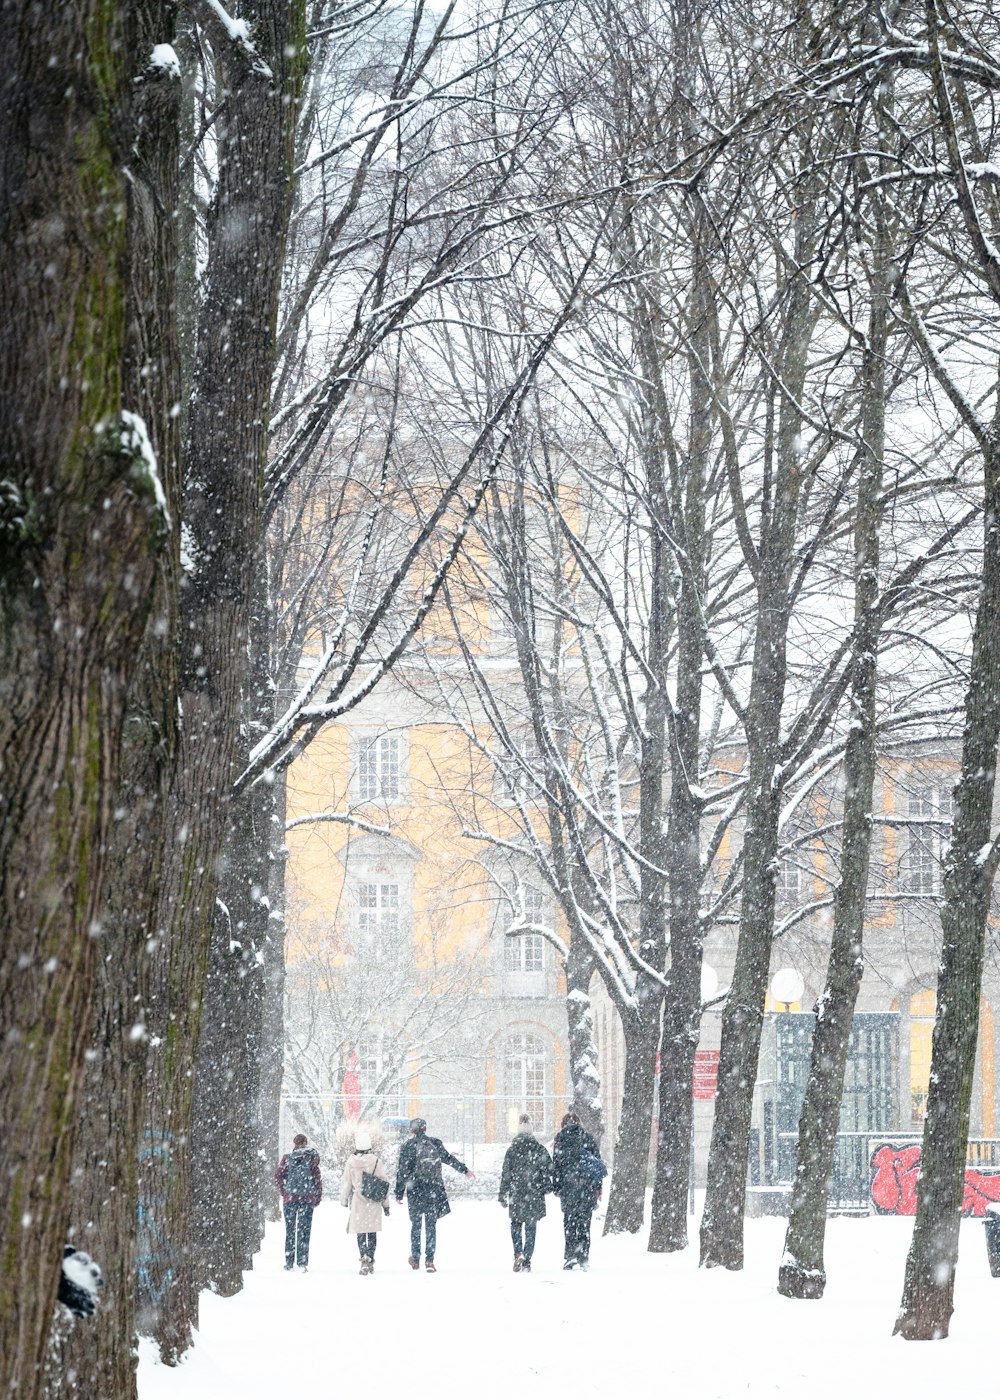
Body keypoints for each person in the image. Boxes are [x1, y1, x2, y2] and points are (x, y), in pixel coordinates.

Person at [394, 1116, 475, 1272]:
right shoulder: (435, 1143)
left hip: (415, 1190)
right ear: (425, 1129)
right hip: (433, 1190)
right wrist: (465, 1170)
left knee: (416, 1225)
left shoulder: (407, 1146)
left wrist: (399, 1193)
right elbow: (449, 1159)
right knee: (431, 1225)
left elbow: (402, 1172)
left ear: (412, 1130)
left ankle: (415, 1258)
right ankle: (430, 1261)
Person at [498, 1114, 553, 1272]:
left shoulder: (512, 1150)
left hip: (517, 1192)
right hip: (534, 1192)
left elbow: (506, 1174)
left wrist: (503, 1194)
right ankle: (527, 1260)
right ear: (531, 1131)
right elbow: (550, 1168)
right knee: (531, 1226)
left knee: (515, 1224)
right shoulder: (539, 1149)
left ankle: (518, 1253)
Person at [551, 1111, 604, 1271]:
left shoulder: (560, 1139)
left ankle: (570, 1255)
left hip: (568, 1188)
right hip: (587, 1187)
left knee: (569, 1222)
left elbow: (557, 1167)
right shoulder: (588, 1138)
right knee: (584, 1223)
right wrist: (598, 1187)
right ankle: (583, 1256)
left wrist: (557, 1187)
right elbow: (597, 1164)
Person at [340, 1126, 390, 1274]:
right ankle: (371, 1259)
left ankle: (363, 1259)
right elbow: (383, 1184)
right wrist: (386, 1205)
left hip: (358, 1201)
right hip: (373, 1201)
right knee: (372, 1232)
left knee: (361, 1232)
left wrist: (343, 1200)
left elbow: (347, 1183)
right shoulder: (376, 1161)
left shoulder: (351, 1161)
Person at [275, 1133, 323, 1272]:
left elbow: (278, 1176)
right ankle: (302, 1262)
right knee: (304, 1231)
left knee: (290, 1230)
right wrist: (316, 1197)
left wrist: (285, 1192)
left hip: (290, 1199)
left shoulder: (287, 1159)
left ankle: (289, 1262)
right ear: (306, 1143)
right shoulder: (311, 1159)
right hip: (307, 1199)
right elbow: (317, 1179)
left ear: (294, 1144)